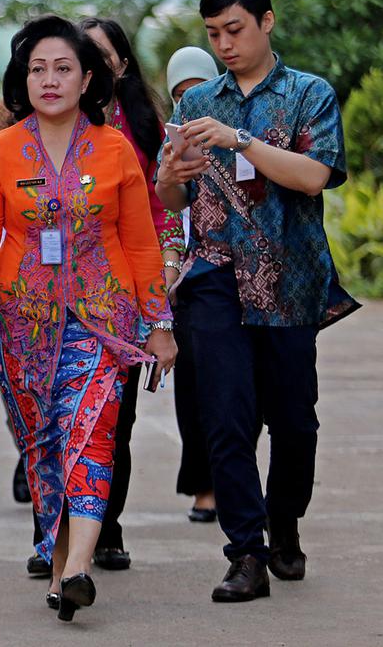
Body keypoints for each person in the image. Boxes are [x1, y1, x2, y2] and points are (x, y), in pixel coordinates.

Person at [0, 15, 176, 622]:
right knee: (46, 444)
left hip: (102, 319)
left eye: (63, 68)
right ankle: (59, 569)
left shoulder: (116, 150)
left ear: (88, 80)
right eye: (37, 69)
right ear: (22, 78)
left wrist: (157, 323)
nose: (49, 79)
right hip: (21, 323)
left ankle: (79, 565)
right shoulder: (2, 149)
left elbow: (139, 242)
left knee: (95, 434)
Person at [154, 0, 359, 603]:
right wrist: (169, 175)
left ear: (266, 22)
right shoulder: (193, 104)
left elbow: (314, 176)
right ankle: (245, 552)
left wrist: (240, 138)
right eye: (213, 33)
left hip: (290, 279)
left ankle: (285, 524)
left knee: (294, 422)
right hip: (214, 275)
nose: (224, 44)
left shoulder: (308, 94)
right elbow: (173, 197)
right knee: (226, 418)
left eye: (235, 30)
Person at [79, 16, 186, 572]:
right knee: (53, 420)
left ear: (122, 62)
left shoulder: (147, 129)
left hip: (123, 295)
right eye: (83, 54)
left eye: (103, 54)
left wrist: (163, 284)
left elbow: (161, 211)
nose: (94, 66)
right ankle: (52, 533)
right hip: (57, 296)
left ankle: (107, 526)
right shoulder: (51, 124)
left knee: (113, 419)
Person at [163, 45, 223, 523]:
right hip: (187, 282)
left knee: (240, 392)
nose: (192, 102)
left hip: (241, 278)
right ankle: (204, 486)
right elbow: (165, 209)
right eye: (181, 95)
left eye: (200, 90)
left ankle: (232, 481)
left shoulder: (240, 135)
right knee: (195, 389)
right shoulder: (167, 144)